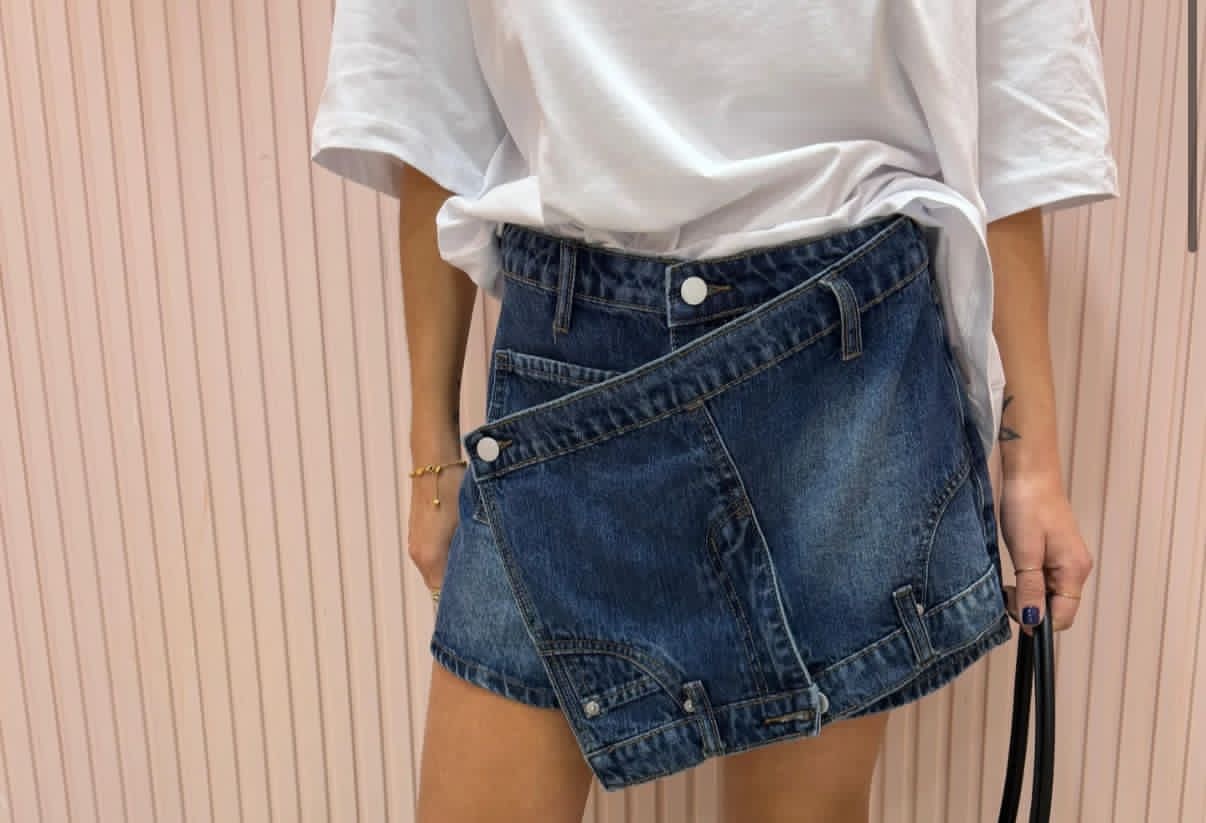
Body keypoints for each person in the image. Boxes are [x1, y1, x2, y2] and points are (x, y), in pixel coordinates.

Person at [311, 1, 1117, 820]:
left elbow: (1009, 97)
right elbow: (424, 100)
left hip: (840, 364)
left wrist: (1033, 459)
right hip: (574, 369)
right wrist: (430, 453)